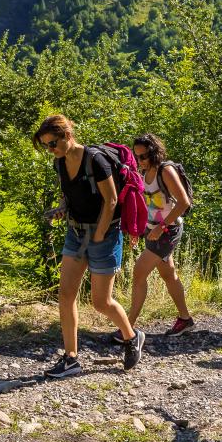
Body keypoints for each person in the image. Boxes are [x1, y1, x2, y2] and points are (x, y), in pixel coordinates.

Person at [33, 115, 144, 376]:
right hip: (76, 232)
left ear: (67, 136)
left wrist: (100, 233)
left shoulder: (96, 159)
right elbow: (68, 194)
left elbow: (112, 200)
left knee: (100, 302)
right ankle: (71, 358)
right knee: (66, 295)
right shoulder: (59, 163)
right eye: (46, 146)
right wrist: (61, 210)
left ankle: (131, 337)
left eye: (53, 144)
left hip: (105, 235)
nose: (51, 150)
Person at [111, 134, 194, 340]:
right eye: (137, 156)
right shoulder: (143, 171)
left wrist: (161, 227)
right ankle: (185, 320)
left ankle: (128, 328)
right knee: (169, 275)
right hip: (152, 229)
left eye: (144, 156)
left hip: (168, 230)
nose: (140, 161)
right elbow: (146, 205)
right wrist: (139, 229)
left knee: (139, 274)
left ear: (154, 152)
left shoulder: (166, 171)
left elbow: (184, 203)